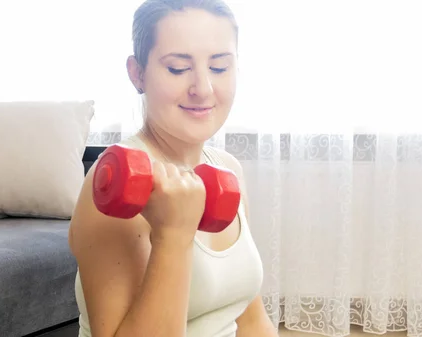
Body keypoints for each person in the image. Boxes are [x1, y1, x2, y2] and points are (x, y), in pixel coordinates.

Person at [68, 0, 278, 336]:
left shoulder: (227, 169)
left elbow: (251, 321)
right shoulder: (110, 186)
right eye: (179, 69)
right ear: (137, 74)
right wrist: (174, 236)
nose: (203, 88)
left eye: (220, 68)